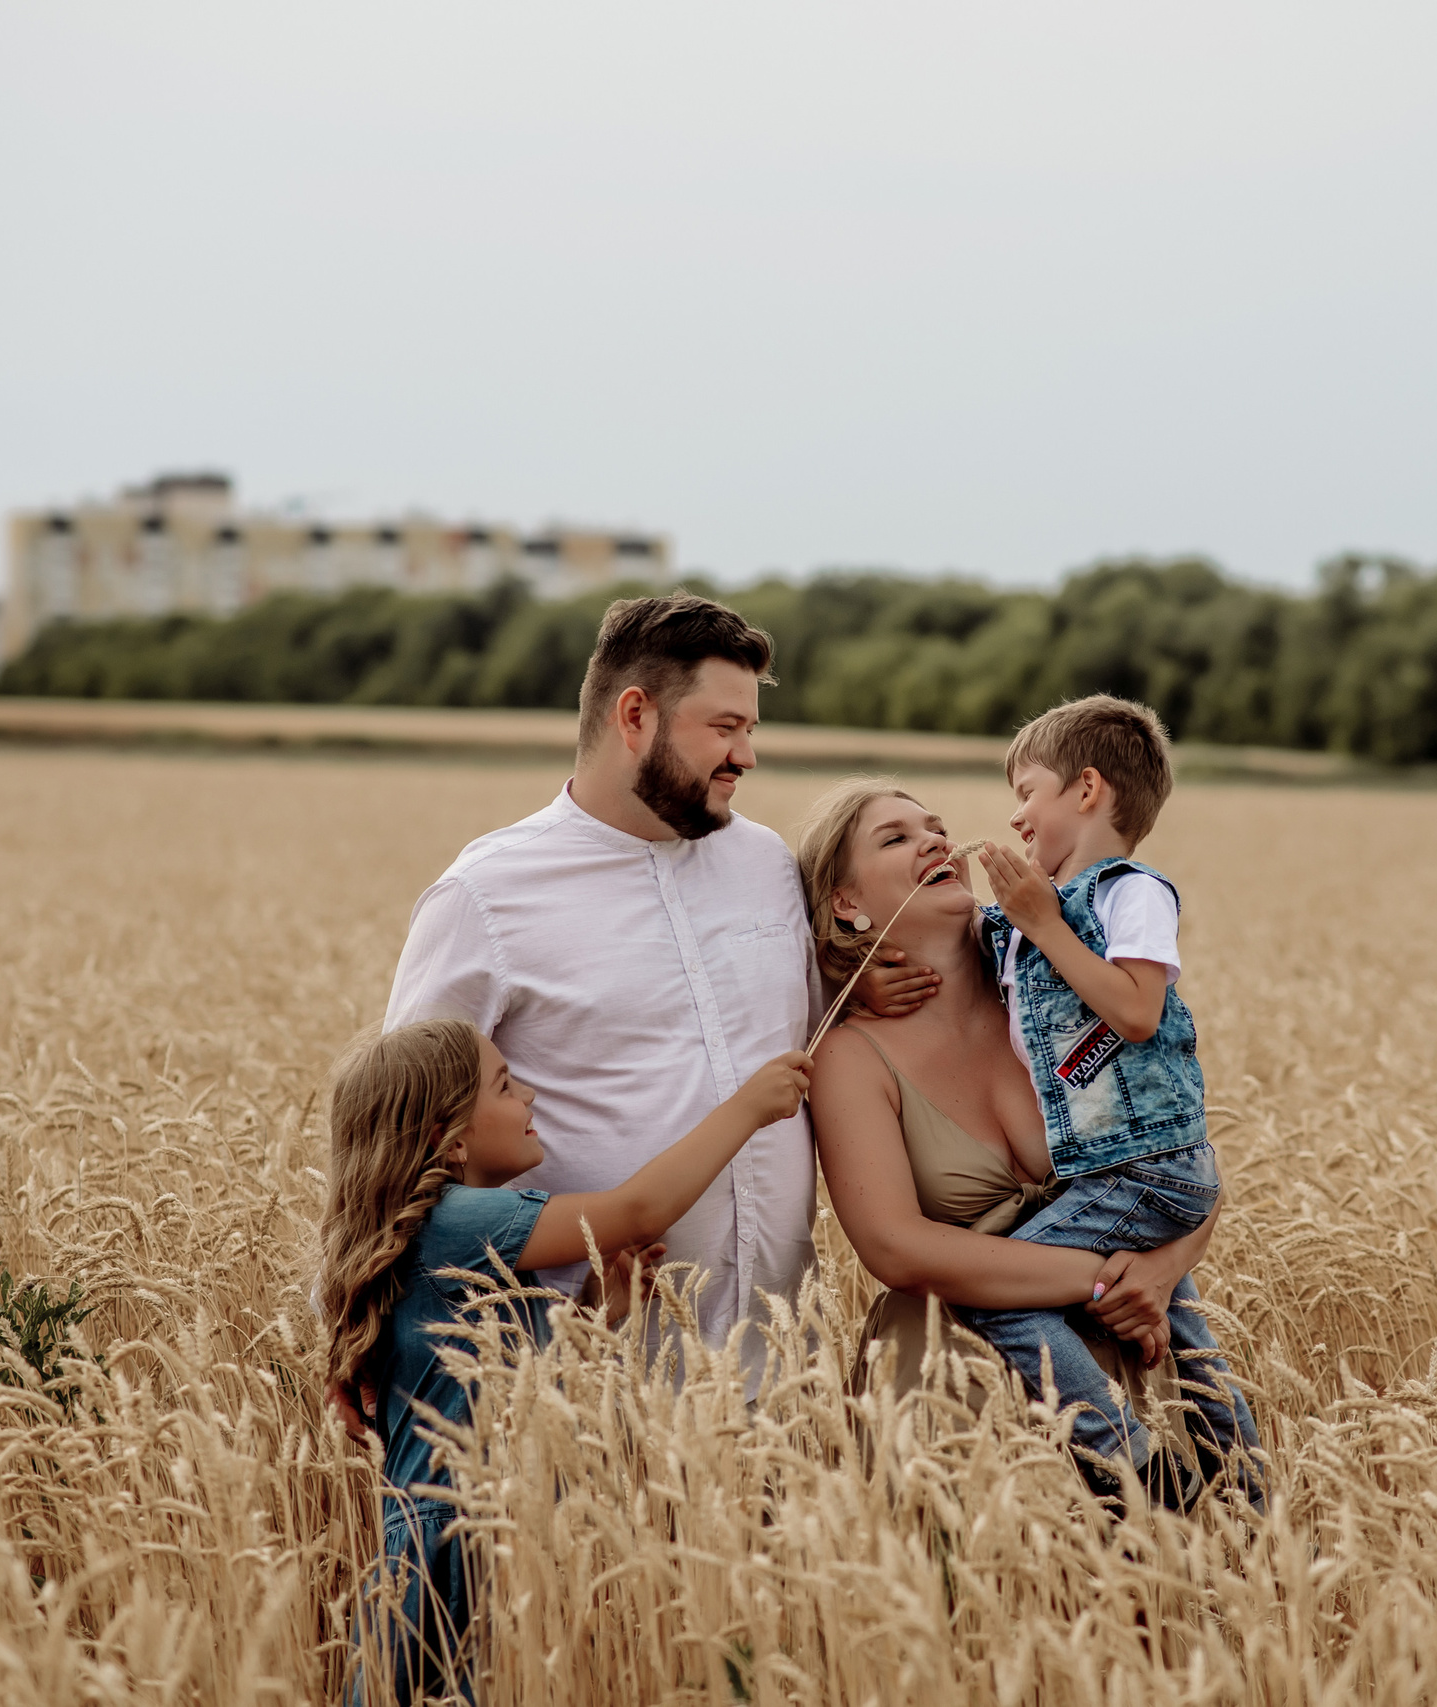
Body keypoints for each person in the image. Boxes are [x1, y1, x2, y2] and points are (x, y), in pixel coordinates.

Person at [379, 593, 831, 1378]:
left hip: (784, 1366)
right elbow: (394, 1135)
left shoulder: (768, 865)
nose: (746, 756)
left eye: (750, 730)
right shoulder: (486, 894)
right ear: (635, 716)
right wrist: (358, 1335)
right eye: (725, 728)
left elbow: (831, 1047)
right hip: (583, 1378)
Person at [316, 1017, 812, 1704]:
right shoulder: (456, 1221)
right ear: (448, 1138)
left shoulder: (453, 1238)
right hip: (460, 1548)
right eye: (504, 1085)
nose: (528, 1095)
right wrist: (748, 1107)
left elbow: (511, 1387)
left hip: (488, 1536)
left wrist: (594, 1310)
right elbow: (639, 1210)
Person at [797, 778, 1251, 1508]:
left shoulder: (1052, 983)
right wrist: (1105, 1281)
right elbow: (897, 1248)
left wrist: (1163, 1271)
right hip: (955, 1392)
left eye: (936, 827)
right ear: (846, 901)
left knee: (1189, 1557)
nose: (936, 841)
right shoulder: (852, 1054)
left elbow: (1177, 1151)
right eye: (896, 838)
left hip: (1129, 1364)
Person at [959, 694, 1261, 1499]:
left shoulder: (1130, 892)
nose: (1015, 815)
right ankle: (1251, 1503)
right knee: (1187, 1341)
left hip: (1145, 1168)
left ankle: (1140, 1472)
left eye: (1028, 791)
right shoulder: (1032, 916)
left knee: (999, 1296)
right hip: (1117, 1173)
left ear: (1087, 789)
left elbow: (1136, 1011)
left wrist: (1045, 922)